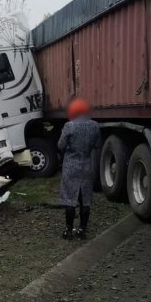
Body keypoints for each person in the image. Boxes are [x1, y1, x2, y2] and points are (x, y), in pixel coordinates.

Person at [58, 97, 102, 240]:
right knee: (86, 199)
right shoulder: (95, 126)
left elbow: (61, 146)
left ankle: (68, 230)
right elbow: (97, 145)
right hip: (87, 166)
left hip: (71, 166)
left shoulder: (69, 126)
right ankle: (82, 230)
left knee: (70, 199)